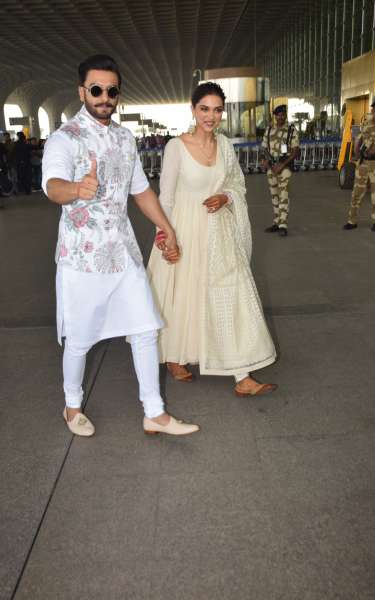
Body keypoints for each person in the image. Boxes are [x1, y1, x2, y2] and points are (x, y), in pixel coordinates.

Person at [42, 54, 199, 437]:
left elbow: (141, 190)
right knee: (79, 339)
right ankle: (72, 405)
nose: (104, 96)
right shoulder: (64, 138)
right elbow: (52, 186)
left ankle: (155, 413)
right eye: (96, 89)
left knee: (145, 329)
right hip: (82, 257)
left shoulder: (125, 138)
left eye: (111, 90)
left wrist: (167, 228)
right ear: (82, 91)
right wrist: (77, 189)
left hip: (123, 253)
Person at [144, 82, 277, 395]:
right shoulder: (176, 147)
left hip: (219, 232)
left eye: (217, 109)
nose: (211, 115)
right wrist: (165, 235)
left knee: (228, 295)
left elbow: (237, 185)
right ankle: (174, 356)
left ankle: (241, 376)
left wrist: (225, 198)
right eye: (204, 108)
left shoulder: (226, 146)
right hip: (184, 230)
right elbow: (166, 197)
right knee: (181, 296)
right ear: (193, 110)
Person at [343, 96, 375, 232]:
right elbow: (359, 139)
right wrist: (356, 152)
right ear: (372, 110)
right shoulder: (365, 124)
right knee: (356, 193)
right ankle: (352, 221)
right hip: (363, 164)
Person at [261, 105, 299, 237]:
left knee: (283, 195)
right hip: (272, 168)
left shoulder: (291, 130)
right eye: (278, 115)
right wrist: (266, 160)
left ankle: (283, 224)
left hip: (284, 168)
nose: (280, 117)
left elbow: (295, 152)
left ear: (285, 115)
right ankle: (276, 222)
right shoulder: (269, 129)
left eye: (283, 114)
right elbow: (264, 148)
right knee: (274, 196)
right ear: (275, 116)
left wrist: (282, 165)